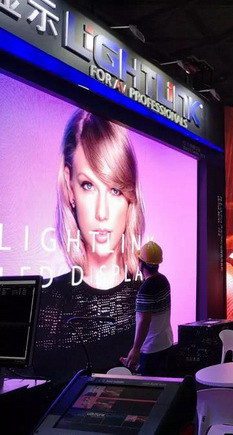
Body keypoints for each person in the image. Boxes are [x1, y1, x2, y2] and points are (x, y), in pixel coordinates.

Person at [34, 110, 145, 378]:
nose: (101, 212)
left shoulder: (146, 293)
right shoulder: (46, 302)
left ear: (129, 196)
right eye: (88, 185)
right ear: (70, 186)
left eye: (115, 190)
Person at [121, 241, 173, 376]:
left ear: (141, 263)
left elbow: (145, 320)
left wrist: (135, 349)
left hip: (151, 349)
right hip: (166, 343)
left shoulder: (146, 289)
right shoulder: (164, 280)